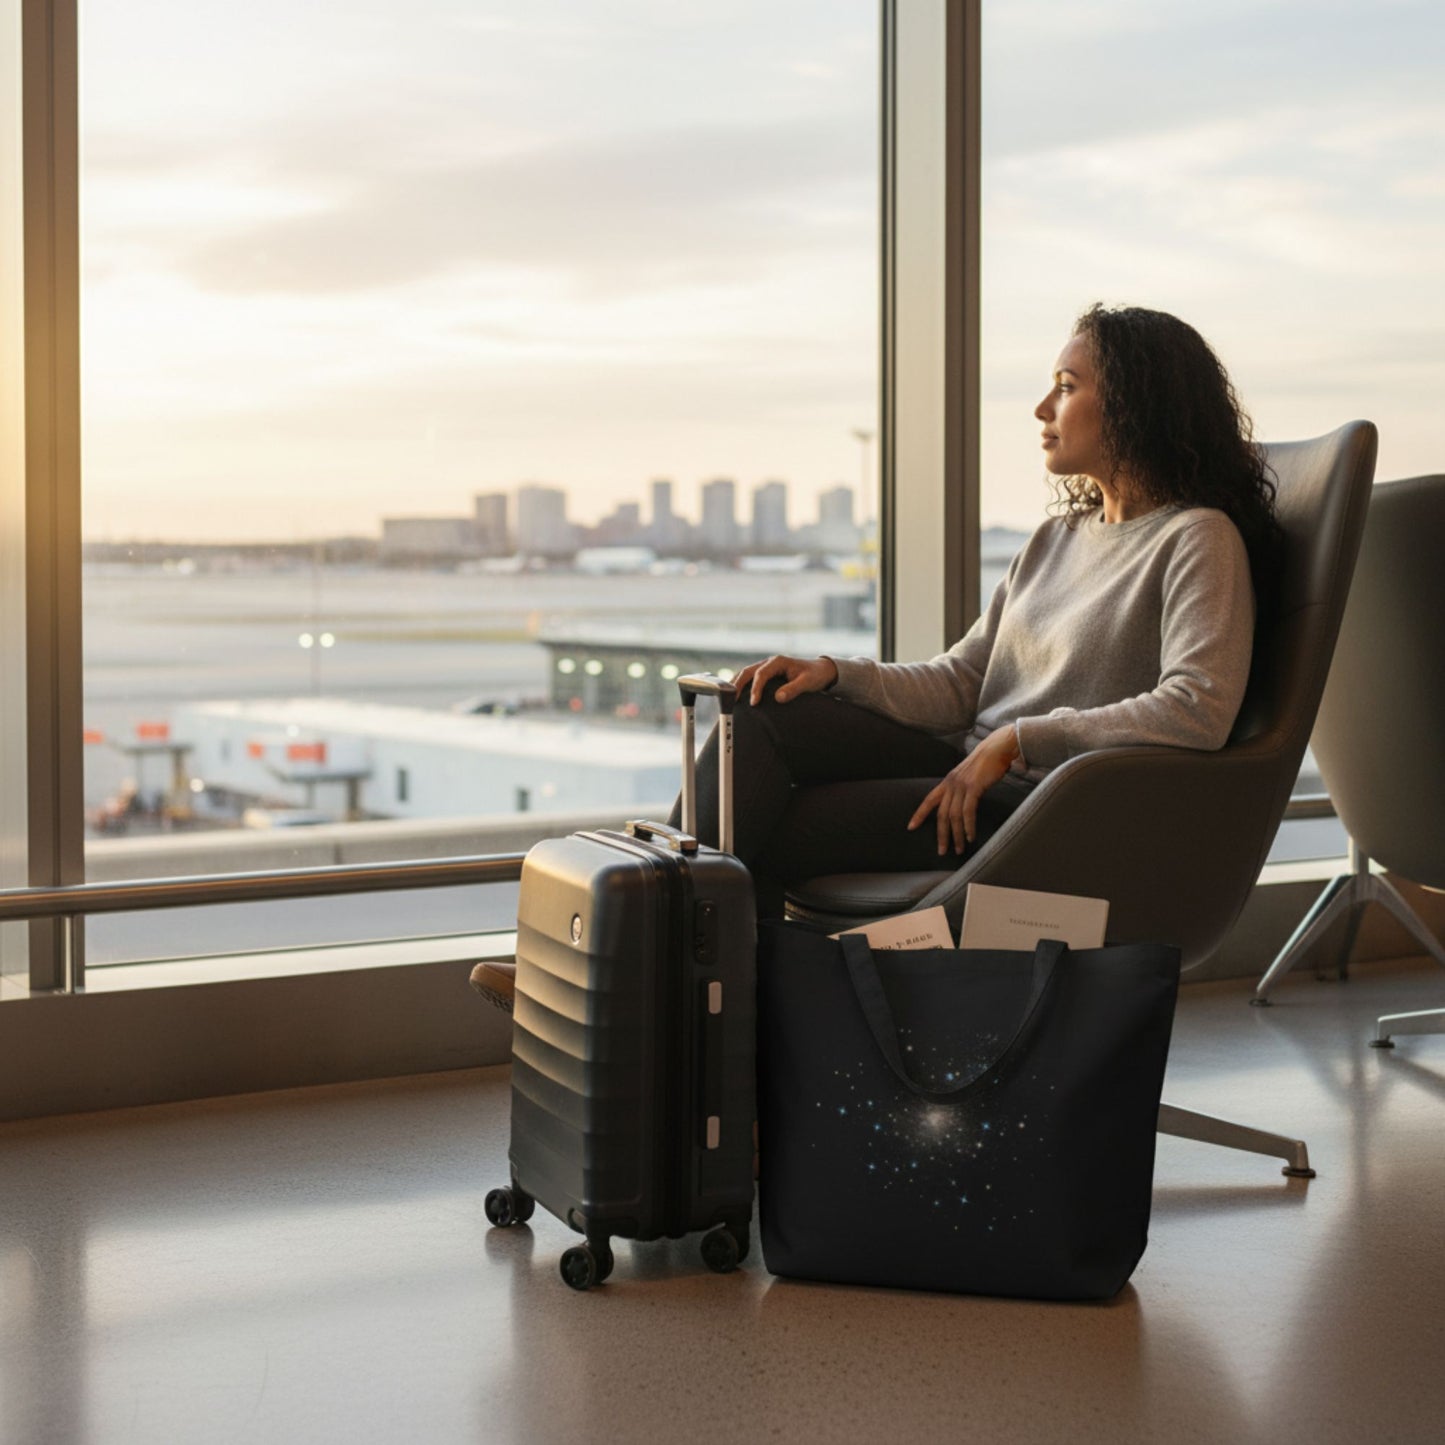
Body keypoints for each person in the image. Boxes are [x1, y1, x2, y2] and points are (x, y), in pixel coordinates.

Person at [470, 300, 1281, 1007]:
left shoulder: (1196, 538)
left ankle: (626, 994)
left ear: (1135, 404)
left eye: (1066, 387)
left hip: (1040, 813)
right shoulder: (1054, 539)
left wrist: (1017, 740)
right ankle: (689, 1023)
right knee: (761, 711)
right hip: (963, 776)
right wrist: (834, 674)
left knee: (756, 832)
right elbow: (962, 681)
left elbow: (1197, 709)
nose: (1042, 407)